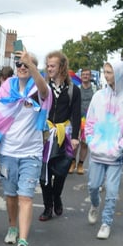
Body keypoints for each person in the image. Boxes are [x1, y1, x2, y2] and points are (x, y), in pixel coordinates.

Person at [0, 51, 50, 246]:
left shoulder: (38, 88)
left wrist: (32, 66)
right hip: (8, 152)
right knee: (11, 196)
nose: (22, 67)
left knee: (26, 197)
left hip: (31, 153)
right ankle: (12, 226)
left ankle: (23, 241)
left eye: (27, 64)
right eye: (19, 64)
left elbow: (44, 92)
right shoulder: (7, 86)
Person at [85, 61, 123, 239]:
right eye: (105, 72)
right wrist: (90, 141)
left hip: (115, 154)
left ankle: (106, 223)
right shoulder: (98, 95)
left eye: (110, 72)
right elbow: (89, 120)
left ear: (120, 74)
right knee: (93, 186)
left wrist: (120, 147)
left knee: (112, 191)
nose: (106, 75)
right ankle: (94, 204)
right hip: (97, 152)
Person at [39, 50, 81, 221]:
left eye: (52, 66)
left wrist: (76, 137)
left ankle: (57, 197)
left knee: (61, 171)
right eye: (47, 65)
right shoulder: (43, 87)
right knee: (45, 174)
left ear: (62, 67)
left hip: (64, 135)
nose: (49, 69)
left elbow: (76, 115)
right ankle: (48, 207)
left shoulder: (73, 90)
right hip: (45, 135)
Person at [69, 67, 96, 175]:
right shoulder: (76, 88)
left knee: (84, 144)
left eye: (87, 74)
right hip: (76, 118)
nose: (85, 76)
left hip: (89, 120)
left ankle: (80, 164)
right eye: (83, 74)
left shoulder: (95, 89)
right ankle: (72, 162)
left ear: (90, 76)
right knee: (75, 142)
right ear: (81, 76)